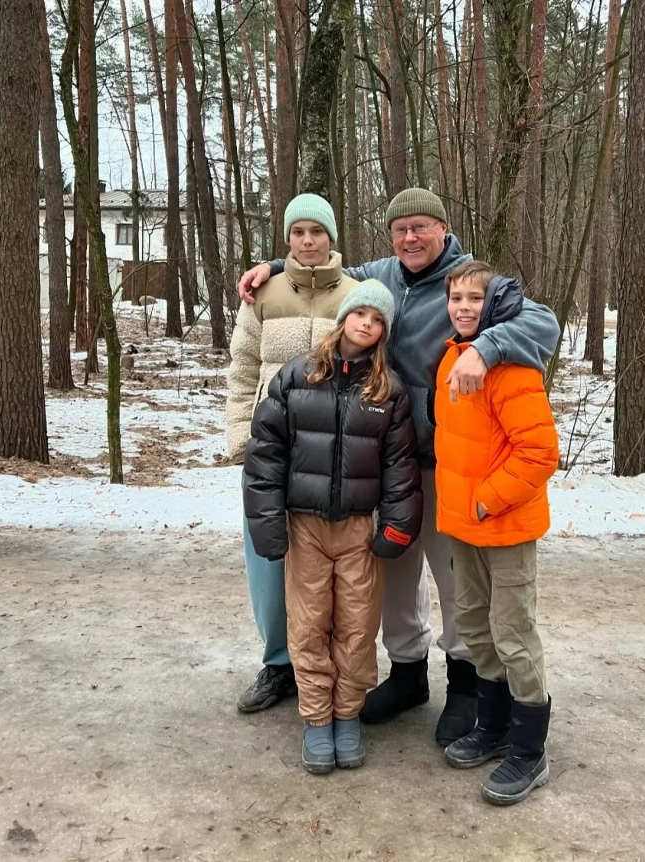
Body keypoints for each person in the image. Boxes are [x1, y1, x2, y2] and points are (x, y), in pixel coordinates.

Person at [237, 188, 561, 746]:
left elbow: (545, 325)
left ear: (443, 229)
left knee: (455, 581)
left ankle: (465, 683)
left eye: (421, 227)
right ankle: (408, 673)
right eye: (400, 229)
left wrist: (486, 348)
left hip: (446, 463)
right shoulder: (380, 274)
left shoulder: (471, 282)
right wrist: (272, 266)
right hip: (384, 465)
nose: (410, 238)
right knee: (394, 577)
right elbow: (327, 271)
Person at [243, 283, 422, 774]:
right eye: (360, 313)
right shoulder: (296, 376)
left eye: (377, 319)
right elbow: (266, 455)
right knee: (308, 624)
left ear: (384, 332)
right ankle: (318, 718)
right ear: (343, 317)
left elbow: (401, 467)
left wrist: (397, 527)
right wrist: (267, 522)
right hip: (306, 528)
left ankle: (347, 714)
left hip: (359, 531)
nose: (367, 323)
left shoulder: (388, 390)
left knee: (358, 626)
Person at [227, 193, 360, 715]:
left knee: (328, 567)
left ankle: (324, 664)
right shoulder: (262, 294)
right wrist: (242, 437)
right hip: (271, 450)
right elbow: (242, 369)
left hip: (331, 455)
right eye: (298, 232)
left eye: (317, 231)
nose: (308, 241)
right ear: (287, 238)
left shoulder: (354, 295)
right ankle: (278, 663)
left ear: (331, 237)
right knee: (267, 558)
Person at [434, 261, 559, 805]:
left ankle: (530, 750)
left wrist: (486, 501)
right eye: (455, 298)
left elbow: (539, 453)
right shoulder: (451, 358)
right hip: (464, 528)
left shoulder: (511, 368)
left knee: (512, 633)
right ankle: (494, 725)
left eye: (474, 298)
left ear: (495, 305)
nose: (463, 307)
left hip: (504, 526)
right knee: (474, 626)